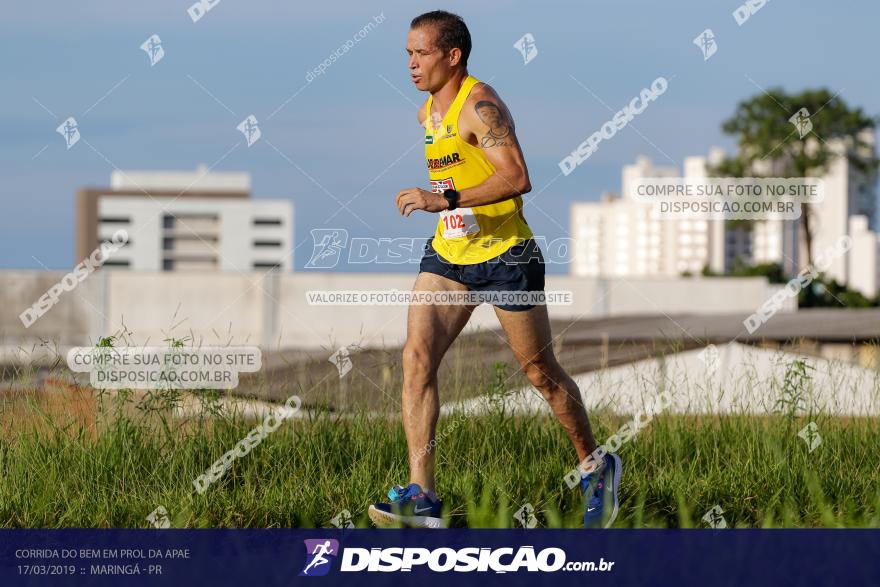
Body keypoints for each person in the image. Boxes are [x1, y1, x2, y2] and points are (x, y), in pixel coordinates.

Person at [368, 10, 620, 529]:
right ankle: (422, 495)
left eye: (422, 54)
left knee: (540, 374)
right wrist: (449, 207)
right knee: (416, 358)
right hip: (451, 258)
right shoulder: (427, 114)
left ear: (452, 55)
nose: (412, 64)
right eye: (408, 54)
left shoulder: (481, 108)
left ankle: (597, 466)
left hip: (509, 257)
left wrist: (445, 197)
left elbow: (518, 177)